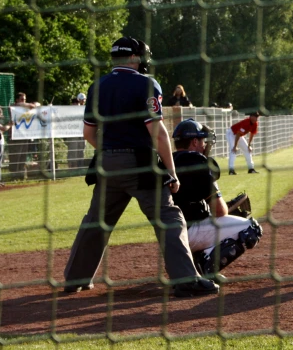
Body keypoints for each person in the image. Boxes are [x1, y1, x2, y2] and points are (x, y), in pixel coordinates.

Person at [63, 36, 218, 297]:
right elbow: (158, 133)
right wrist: (171, 171)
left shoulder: (97, 86)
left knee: (96, 221)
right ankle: (186, 279)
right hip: (139, 163)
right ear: (134, 57)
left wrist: (111, 152)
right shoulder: (146, 84)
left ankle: (75, 278)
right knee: (169, 217)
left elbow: (89, 134)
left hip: (106, 163)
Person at [171, 118, 263, 279]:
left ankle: (190, 264)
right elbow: (220, 211)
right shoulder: (199, 162)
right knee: (251, 229)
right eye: (202, 140)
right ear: (194, 141)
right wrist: (229, 209)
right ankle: (205, 270)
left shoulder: (167, 161)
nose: (205, 145)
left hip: (169, 238)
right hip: (190, 233)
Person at [8, 92, 39, 180]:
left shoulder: (25, 107)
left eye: (24, 99)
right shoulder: (14, 106)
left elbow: (36, 105)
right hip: (15, 136)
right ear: (17, 100)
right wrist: (30, 105)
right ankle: (13, 176)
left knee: (22, 156)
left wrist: (34, 104)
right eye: (22, 99)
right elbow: (20, 105)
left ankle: (21, 175)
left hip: (24, 135)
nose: (23, 101)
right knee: (15, 157)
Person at [66, 97, 86, 168]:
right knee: (72, 150)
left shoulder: (83, 110)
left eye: (77, 102)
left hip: (81, 133)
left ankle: (80, 167)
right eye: (74, 102)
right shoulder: (68, 111)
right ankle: (71, 167)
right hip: (72, 134)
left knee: (81, 149)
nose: (76, 104)